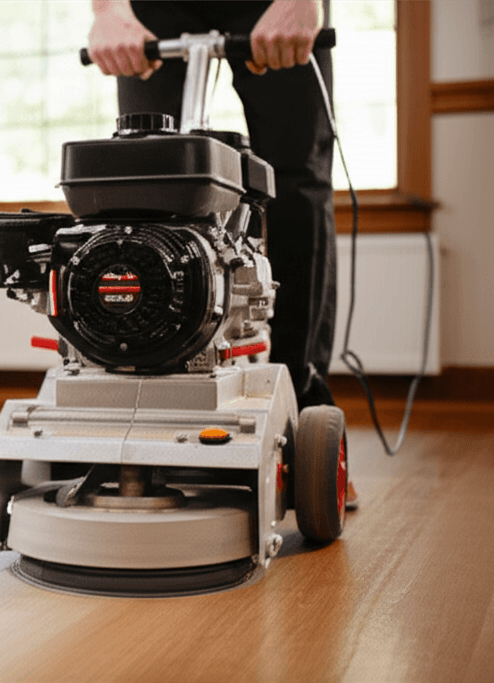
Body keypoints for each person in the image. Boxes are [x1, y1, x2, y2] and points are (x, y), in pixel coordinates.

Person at [87, 0, 358, 510]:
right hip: (150, 8)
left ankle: (301, 409)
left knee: (296, 183)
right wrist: (107, 8)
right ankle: (147, 404)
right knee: (145, 175)